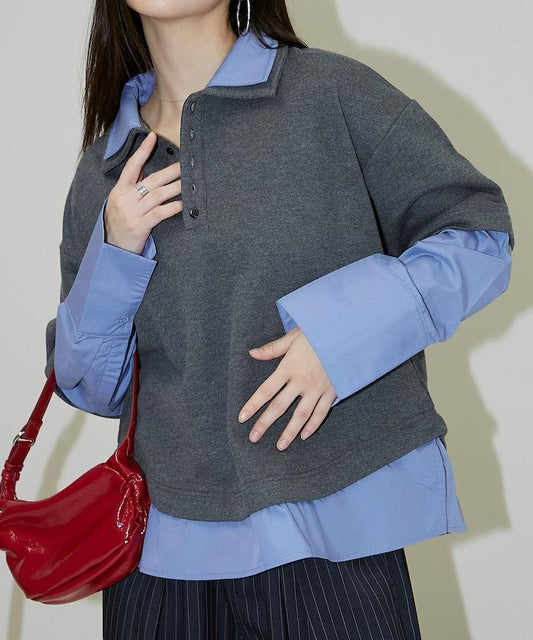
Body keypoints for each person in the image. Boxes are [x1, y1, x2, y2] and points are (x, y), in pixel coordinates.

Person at [44, 0, 514, 638]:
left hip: (332, 533)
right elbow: (92, 388)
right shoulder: (104, 169)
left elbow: (480, 236)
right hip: (160, 556)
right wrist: (115, 250)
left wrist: (341, 336)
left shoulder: (331, 94)